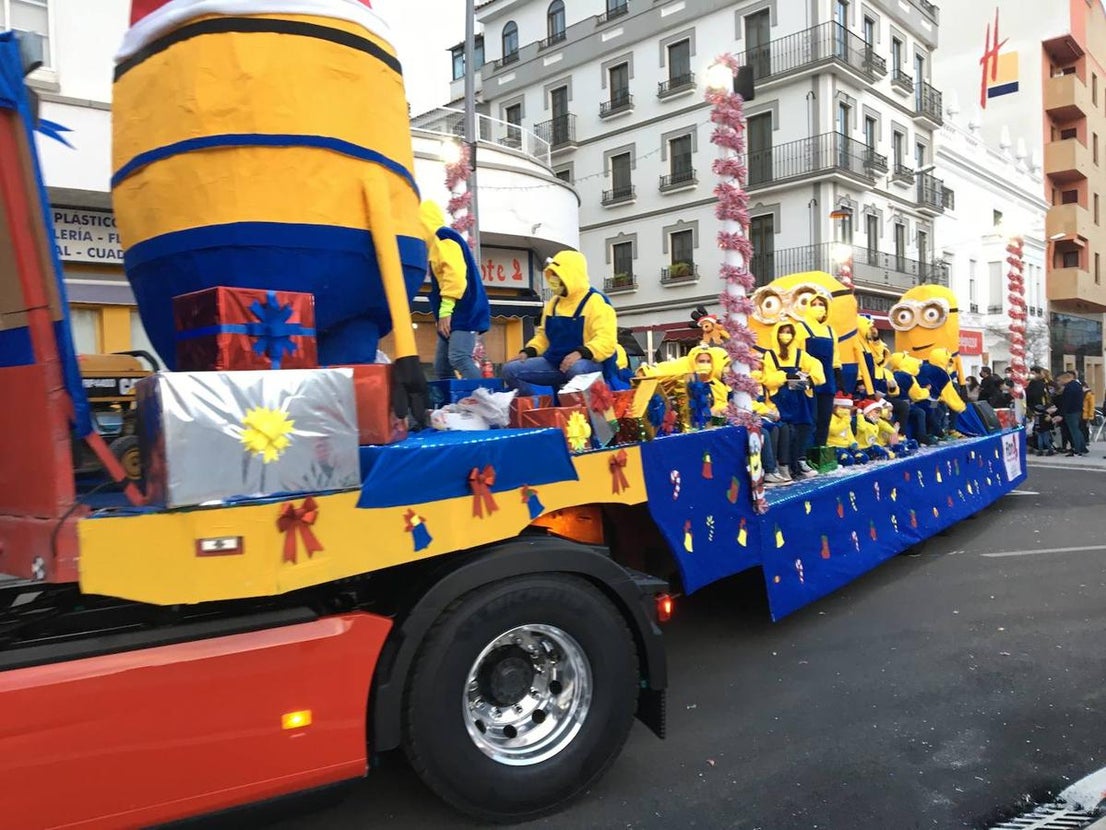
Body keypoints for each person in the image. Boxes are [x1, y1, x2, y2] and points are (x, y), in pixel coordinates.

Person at [502, 251, 617, 394]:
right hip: (555, 363)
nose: (553, 280)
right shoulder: (553, 303)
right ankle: (537, 406)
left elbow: (607, 341)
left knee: (577, 369)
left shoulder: (596, 302)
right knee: (510, 370)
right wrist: (529, 351)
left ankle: (585, 411)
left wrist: (581, 353)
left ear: (571, 276)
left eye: (558, 275)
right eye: (552, 275)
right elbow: (543, 335)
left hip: (589, 364)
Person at [420, 200, 490, 380]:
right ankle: (450, 405)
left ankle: (482, 401)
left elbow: (455, 274)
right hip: (457, 310)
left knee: (459, 357)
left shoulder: (443, 237)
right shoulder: (439, 241)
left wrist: (446, 310)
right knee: (442, 366)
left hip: (464, 310)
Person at [758, 321, 825, 479]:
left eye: (789, 332)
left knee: (804, 428)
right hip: (780, 398)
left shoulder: (801, 354)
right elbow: (767, 379)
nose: (786, 335)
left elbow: (817, 366)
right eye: (783, 331)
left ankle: (800, 461)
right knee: (788, 431)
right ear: (776, 333)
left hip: (800, 398)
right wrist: (785, 376)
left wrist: (810, 379)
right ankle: (785, 465)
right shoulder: (770, 355)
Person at [796, 293, 841, 447]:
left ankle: (820, 452)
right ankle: (805, 454)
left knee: (825, 419)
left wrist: (837, 374)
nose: (818, 307)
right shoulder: (800, 327)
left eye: (821, 304)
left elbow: (836, 356)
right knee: (810, 418)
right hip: (808, 379)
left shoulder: (830, 331)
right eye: (814, 304)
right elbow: (797, 354)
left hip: (827, 380)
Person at [1057, 371, 1088, 456]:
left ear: (1066, 378)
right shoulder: (1077, 385)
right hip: (1078, 410)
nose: (1059, 382)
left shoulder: (1069, 387)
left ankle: (1078, 450)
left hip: (1071, 411)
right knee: (1077, 430)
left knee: (1074, 431)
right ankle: (1082, 447)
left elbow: (1066, 402)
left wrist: (1061, 414)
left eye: (1060, 380)